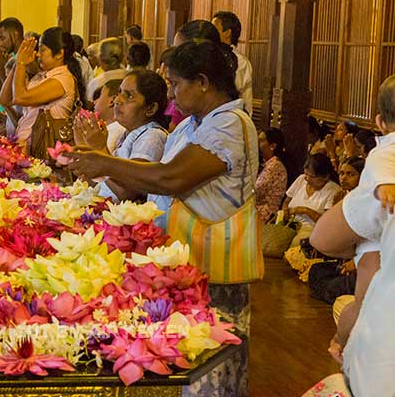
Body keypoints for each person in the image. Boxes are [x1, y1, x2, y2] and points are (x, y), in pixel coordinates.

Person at [66, 40, 259, 339]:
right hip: (184, 260)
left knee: (210, 355)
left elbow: (170, 178)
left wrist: (104, 162)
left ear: (203, 83)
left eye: (176, 84)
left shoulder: (229, 124)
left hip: (215, 262)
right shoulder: (192, 124)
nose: (170, 94)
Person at [309, 75, 395, 397]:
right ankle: (342, 342)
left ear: (379, 123)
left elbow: (323, 239)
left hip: (381, 347)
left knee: (362, 299)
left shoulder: (385, 158)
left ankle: (341, 342)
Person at [74, 70, 169, 202]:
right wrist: (83, 147)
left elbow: (128, 194)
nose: (117, 100)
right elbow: (101, 183)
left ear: (150, 108)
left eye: (129, 96)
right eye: (119, 92)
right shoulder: (127, 134)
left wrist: (99, 149)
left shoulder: (152, 136)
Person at [2, 27, 84, 148]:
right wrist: (16, 66)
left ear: (59, 54)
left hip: (40, 149)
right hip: (24, 144)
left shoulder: (62, 79)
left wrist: (21, 64)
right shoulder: (41, 76)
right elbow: (5, 100)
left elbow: (20, 98)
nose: (38, 54)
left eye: (43, 50)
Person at [282, 153, 341, 247]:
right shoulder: (301, 179)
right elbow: (286, 201)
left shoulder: (333, 191)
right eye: (306, 174)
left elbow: (326, 223)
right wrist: (285, 210)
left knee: (294, 244)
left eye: (312, 176)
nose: (307, 179)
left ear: (325, 177)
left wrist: (304, 210)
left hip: (312, 230)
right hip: (290, 225)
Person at [213, 11, 253, 117]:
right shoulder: (213, 55)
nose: (211, 33)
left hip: (231, 116)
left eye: (214, 28)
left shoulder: (240, 61)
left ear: (227, 33)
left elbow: (233, 90)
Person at [256, 129, 288, 222]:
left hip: (265, 214)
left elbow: (257, 192)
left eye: (261, 141)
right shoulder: (267, 163)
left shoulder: (275, 166)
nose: (257, 143)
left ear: (272, 146)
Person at [85, 37, 126, 103]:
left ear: (100, 58)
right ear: (122, 56)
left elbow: (90, 107)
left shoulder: (96, 83)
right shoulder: (131, 77)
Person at [0, 17, 24, 90]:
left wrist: (1, 69)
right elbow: (0, 89)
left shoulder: (26, 58)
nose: (0, 44)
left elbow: (11, 92)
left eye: (2, 38)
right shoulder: (11, 56)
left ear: (15, 35)